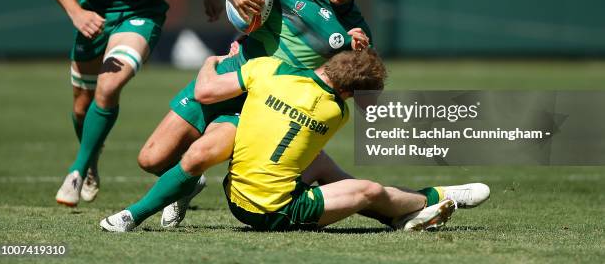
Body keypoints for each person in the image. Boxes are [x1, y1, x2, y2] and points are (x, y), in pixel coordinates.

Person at [100, 49, 490, 232]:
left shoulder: (267, 70)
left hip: (234, 190)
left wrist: (212, 61)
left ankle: (130, 215)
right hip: (273, 211)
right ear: (352, 93)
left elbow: (205, 89)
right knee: (365, 189)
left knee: (324, 169)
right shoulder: (335, 113)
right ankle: (435, 197)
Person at [135, 0, 377, 227]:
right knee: (151, 159)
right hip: (229, 74)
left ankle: (139, 210)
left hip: (263, 102)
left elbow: (358, 89)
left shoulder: (357, 32)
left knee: (202, 153)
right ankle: (187, 185)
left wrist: (359, 56)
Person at [41, 0, 223, 207]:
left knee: (109, 85)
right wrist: (77, 13)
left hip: (143, 14)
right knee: (82, 107)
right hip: (94, 14)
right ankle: (91, 163)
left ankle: (77, 171)